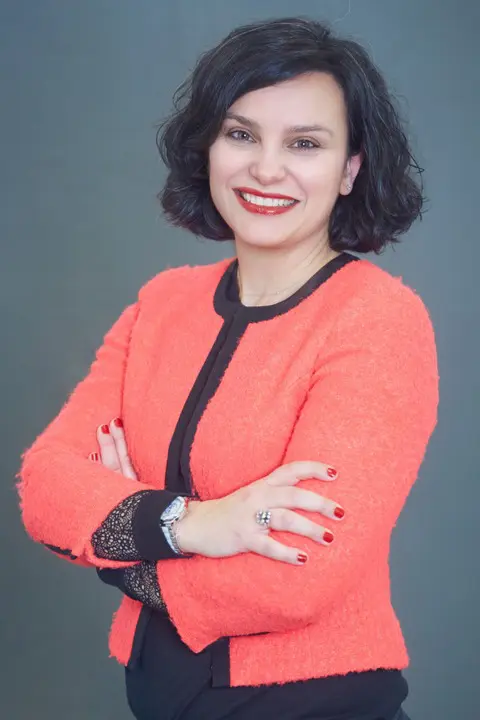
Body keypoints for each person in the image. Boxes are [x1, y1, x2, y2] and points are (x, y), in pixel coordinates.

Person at [17, 15, 439, 720]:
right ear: (208, 148)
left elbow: (299, 580)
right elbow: (44, 487)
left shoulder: (378, 319)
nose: (266, 169)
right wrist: (195, 524)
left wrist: (120, 546)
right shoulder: (161, 304)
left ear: (350, 169)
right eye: (241, 135)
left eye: (305, 144)